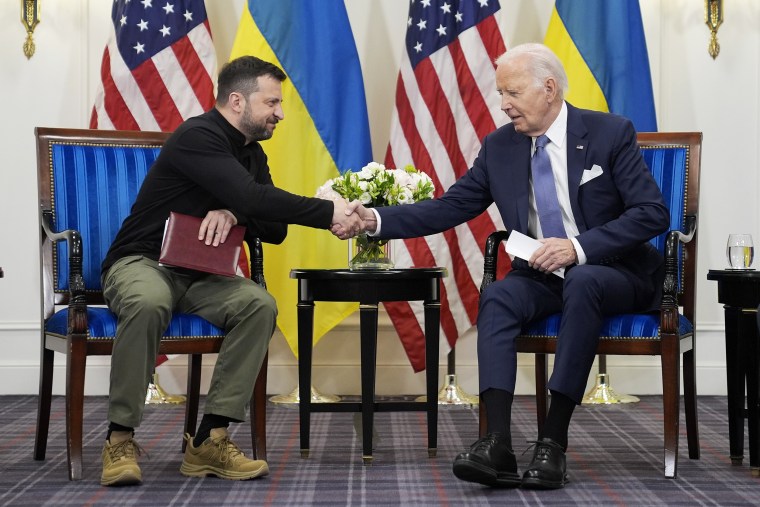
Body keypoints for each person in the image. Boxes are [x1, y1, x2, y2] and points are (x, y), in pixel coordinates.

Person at [343, 43, 669, 489]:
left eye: (512, 93)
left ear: (549, 89)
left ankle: (552, 442)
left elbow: (651, 212)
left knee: (586, 280)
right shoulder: (500, 147)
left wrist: (577, 247)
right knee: (497, 295)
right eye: (501, 93)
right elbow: (449, 207)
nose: (503, 105)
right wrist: (375, 220)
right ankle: (496, 441)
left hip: (613, 272)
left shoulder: (610, 133)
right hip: (541, 276)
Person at [99, 55, 361, 487]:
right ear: (237, 101)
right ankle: (120, 438)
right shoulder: (196, 136)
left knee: (258, 305)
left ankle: (209, 440)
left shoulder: (251, 154)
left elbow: (273, 228)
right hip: (142, 263)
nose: (280, 113)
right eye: (272, 102)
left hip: (200, 276)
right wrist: (324, 210)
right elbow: (256, 200)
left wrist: (232, 205)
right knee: (150, 300)